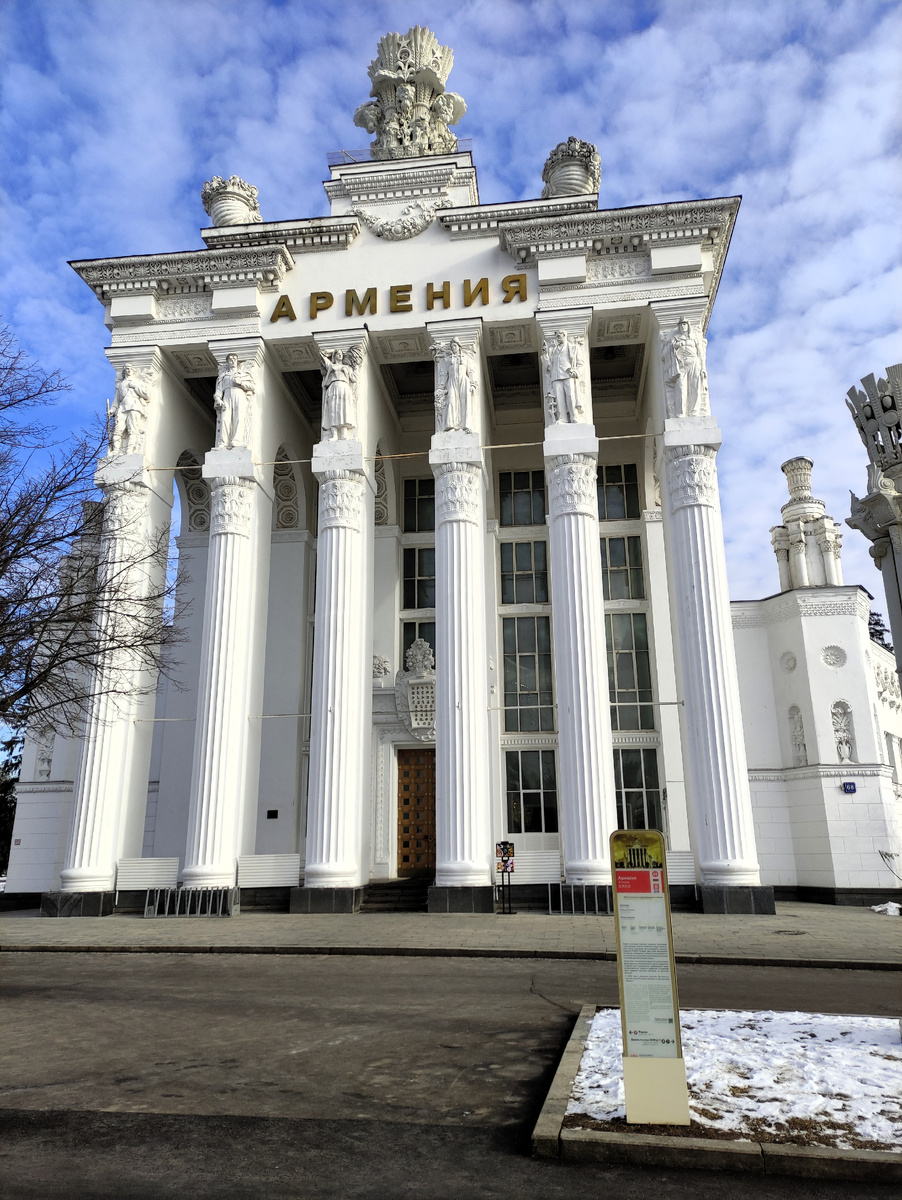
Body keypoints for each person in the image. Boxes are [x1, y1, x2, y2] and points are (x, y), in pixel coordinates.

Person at [661, 317, 708, 417]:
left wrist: (703, 368)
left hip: (694, 363)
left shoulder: (694, 339)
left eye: (684, 324)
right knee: (680, 388)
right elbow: (664, 354)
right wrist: (674, 347)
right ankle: (680, 413)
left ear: (688, 325)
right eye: (681, 324)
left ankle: (694, 412)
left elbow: (701, 354)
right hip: (682, 364)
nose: (683, 326)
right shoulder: (675, 339)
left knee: (695, 387)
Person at [213, 354, 256, 449]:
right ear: (227, 362)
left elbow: (252, 386)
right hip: (227, 395)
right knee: (225, 419)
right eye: (230, 359)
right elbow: (218, 390)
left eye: (234, 359)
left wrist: (241, 383)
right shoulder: (224, 376)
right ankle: (223, 442)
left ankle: (237, 441)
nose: (233, 361)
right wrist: (218, 399)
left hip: (239, 394)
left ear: (237, 361)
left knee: (239, 417)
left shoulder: (243, 374)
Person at [435, 338, 476, 432]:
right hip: (451, 381)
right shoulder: (447, 360)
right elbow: (443, 374)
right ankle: (451, 425)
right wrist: (440, 387)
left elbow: (470, 371)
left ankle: (466, 426)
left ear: (459, 346)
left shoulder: (465, 358)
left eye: (455, 346)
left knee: (465, 401)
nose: (453, 348)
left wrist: (473, 384)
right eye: (452, 346)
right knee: (451, 401)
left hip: (464, 380)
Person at [543, 329, 584, 423]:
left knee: (570, 396)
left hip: (568, 374)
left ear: (564, 335)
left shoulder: (573, 347)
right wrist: (545, 353)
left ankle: (574, 417)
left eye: (559, 336)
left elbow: (581, 363)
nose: (557, 338)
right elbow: (548, 366)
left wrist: (577, 372)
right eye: (556, 336)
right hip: (555, 375)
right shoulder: (552, 350)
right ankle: (562, 418)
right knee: (559, 397)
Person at [321, 349, 358, 439]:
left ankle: (343, 434)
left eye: (341, 354)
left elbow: (354, 378)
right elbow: (322, 354)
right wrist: (332, 351)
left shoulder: (347, 367)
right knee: (333, 411)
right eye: (338, 354)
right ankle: (334, 435)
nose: (340, 355)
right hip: (333, 388)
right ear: (334, 356)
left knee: (344, 410)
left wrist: (356, 367)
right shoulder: (331, 366)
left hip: (344, 388)